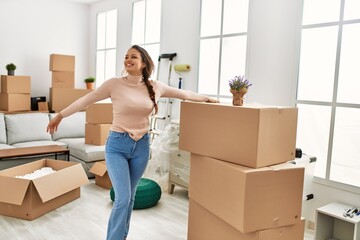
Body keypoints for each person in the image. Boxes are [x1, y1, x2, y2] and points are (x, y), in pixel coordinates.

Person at [46, 45, 218, 240]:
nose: (128, 59)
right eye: (126, 57)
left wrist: (208, 99)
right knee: (123, 198)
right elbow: (87, 99)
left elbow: (185, 94)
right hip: (117, 146)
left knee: (131, 198)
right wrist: (60, 115)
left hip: (142, 147)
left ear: (143, 63)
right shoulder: (114, 84)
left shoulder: (155, 86)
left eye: (133, 57)